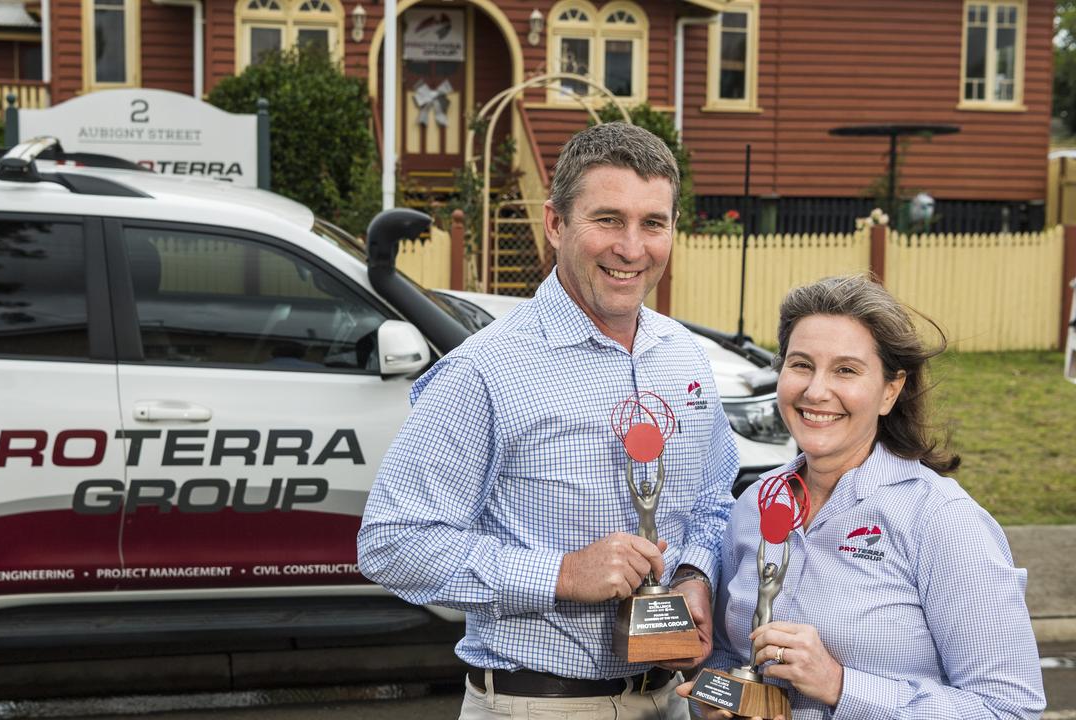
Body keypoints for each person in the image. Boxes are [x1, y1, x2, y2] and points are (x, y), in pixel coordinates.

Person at [357, 122, 738, 720]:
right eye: (608, 219)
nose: (632, 248)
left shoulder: (684, 356)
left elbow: (714, 500)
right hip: (539, 704)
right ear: (556, 224)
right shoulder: (485, 369)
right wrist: (560, 573)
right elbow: (393, 543)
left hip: (670, 703)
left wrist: (695, 573)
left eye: (653, 224)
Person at [677, 275, 1046, 719]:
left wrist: (840, 685)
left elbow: (1011, 709)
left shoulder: (941, 520)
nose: (816, 391)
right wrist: (715, 703)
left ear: (891, 390)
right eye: (800, 365)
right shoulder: (754, 505)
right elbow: (726, 655)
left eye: (846, 370)